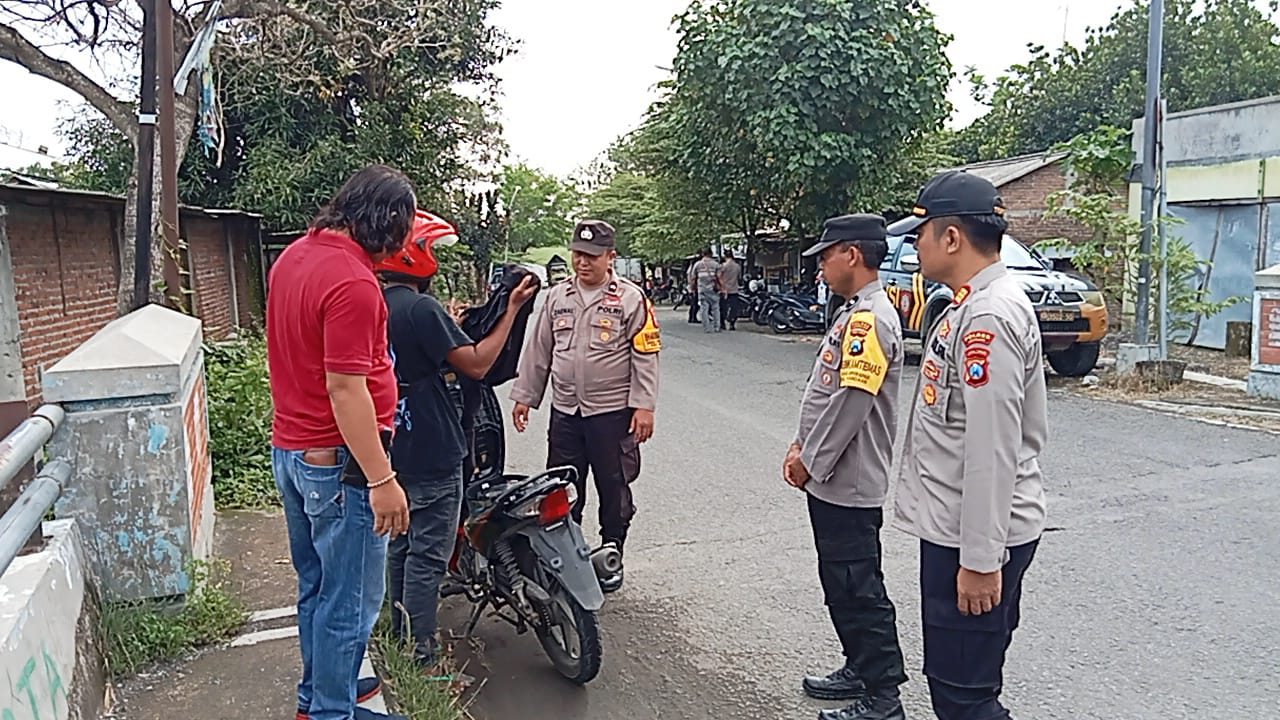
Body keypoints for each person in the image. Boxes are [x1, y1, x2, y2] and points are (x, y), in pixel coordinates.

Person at [888, 171, 1048, 720]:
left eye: (920, 234)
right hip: (960, 527)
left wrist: (981, 559)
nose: (915, 245)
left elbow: (992, 446)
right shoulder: (968, 304)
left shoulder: (989, 316)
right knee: (960, 686)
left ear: (951, 237)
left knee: (964, 697)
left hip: (974, 536)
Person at [267, 164, 413, 720]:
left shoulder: (296, 257)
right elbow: (346, 389)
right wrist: (382, 480)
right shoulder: (353, 283)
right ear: (389, 223)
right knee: (351, 603)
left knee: (319, 590)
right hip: (340, 464)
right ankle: (331, 712)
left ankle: (318, 704)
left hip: (296, 451)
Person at [376, 211, 537, 669]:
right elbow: (479, 363)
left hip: (394, 444)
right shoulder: (420, 308)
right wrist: (509, 312)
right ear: (416, 254)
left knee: (402, 547)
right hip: (434, 445)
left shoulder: (376, 301)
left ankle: (400, 636)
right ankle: (422, 659)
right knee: (428, 555)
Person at [785, 215, 909, 720]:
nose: (820, 267)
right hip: (834, 477)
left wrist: (810, 460)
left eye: (826, 255)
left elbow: (852, 402)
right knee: (840, 581)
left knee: (859, 585)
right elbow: (826, 396)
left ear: (852, 255)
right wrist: (801, 443)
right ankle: (859, 666)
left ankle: (883, 697)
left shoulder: (870, 319)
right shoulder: (854, 312)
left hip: (847, 479)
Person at [510, 220, 661, 593]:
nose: (583, 262)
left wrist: (644, 406)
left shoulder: (630, 299)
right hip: (567, 412)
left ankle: (612, 553)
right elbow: (539, 350)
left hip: (612, 414)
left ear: (611, 257)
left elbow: (646, 355)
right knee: (562, 486)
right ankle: (567, 559)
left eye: (592, 256)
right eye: (578, 254)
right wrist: (526, 396)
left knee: (614, 486)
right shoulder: (557, 297)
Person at [691, 248, 722, 333]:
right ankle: (717, 327)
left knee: (704, 308)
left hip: (702, 289)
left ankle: (706, 328)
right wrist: (722, 287)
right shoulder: (716, 264)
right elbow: (719, 278)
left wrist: (692, 288)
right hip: (713, 289)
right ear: (710, 254)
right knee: (715, 308)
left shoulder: (697, 265)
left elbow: (693, 278)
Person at [718, 251, 743, 330]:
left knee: (722, 307)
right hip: (734, 289)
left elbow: (719, 276)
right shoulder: (737, 266)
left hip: (724, 290)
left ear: (725, 256)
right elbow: (739, 277)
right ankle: (732, 323)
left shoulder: (723, 266)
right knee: (734, 307)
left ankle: (722, 324)